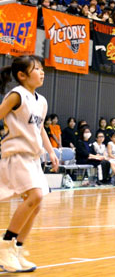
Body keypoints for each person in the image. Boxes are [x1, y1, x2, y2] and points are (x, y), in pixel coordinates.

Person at [0, 56, 59, 272]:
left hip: (33, 157)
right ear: (22, 75)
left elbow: (40, 128)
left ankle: (17, 249)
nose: (42, 72)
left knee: (37, 203)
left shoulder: (41, 101)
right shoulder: (17, 95)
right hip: (16, 155)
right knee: (35, 196)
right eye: (37, 69)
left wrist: (50, 151)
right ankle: (5, 246)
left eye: (42, 69)